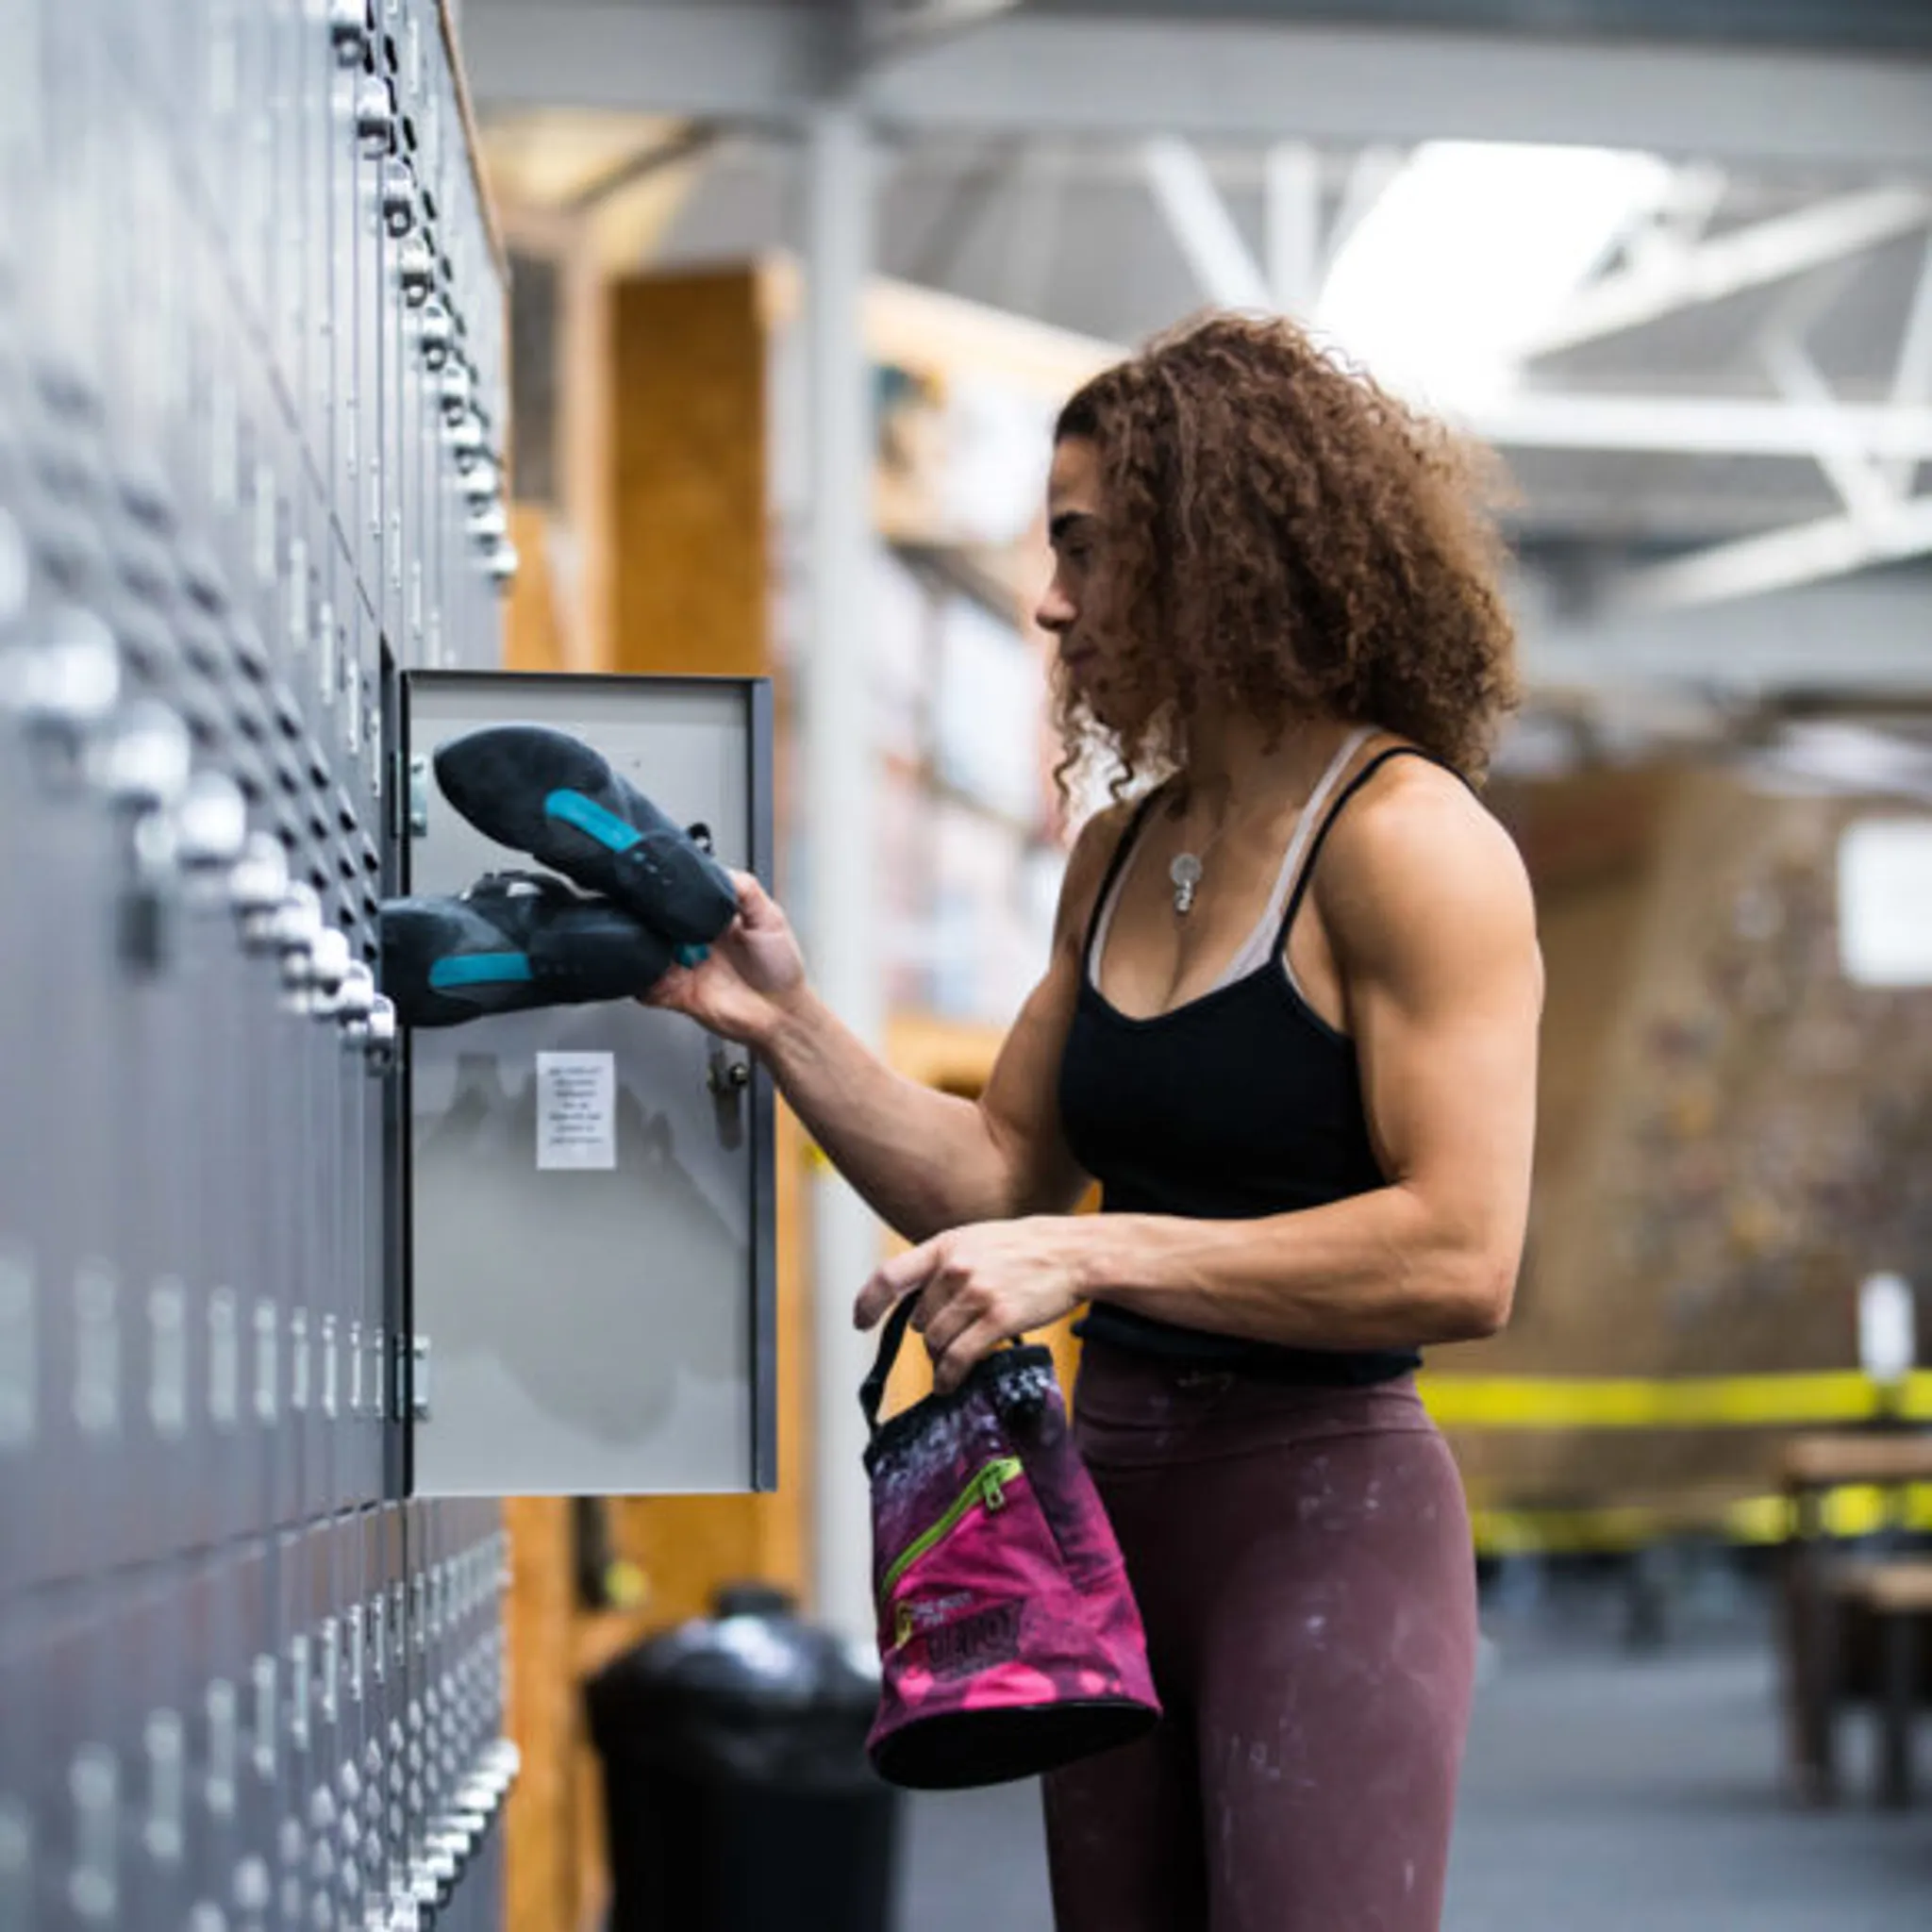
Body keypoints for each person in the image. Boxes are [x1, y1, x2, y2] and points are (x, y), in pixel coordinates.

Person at [646, 311, 1542, 1931]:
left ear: (1219, 548)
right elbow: (997, 1180)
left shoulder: (1410, 841)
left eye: (1086, 549)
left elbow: (1463, 1252)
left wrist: (1092, 1250)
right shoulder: (1118, 853)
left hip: (1323, 1514)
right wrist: (778, 1019)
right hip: (1097, 1508)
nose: (1051, 603)